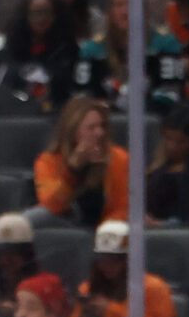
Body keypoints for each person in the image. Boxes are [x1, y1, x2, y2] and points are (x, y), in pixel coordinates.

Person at [68, 220, 176, 317]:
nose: (107, 265)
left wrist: (110, 313)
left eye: (115, 259)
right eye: (103, 259)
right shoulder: (87, 288)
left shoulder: (154, 288)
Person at [34, 96, 129, 228]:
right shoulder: (48, 161)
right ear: (72, 131)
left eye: (102, 126)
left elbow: (125, 208)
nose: (99, 133)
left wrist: (105, 229)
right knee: (36, 216)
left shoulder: (120, 158)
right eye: (91, 128)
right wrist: (73, 169)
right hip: (66, 226)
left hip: (107, 229)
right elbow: (52, 206)